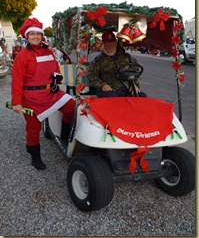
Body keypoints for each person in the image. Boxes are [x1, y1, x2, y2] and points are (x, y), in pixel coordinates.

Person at [11, 17, 75, 170]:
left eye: (38, 34)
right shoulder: (22, 56)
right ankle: (35, 156)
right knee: (33, 129)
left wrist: (57, 77)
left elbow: (54, 69)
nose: (35, 36)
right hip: (31, 98)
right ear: (27, 36)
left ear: (42, 36)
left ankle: (64, 135)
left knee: (71, 105)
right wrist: (16, 102)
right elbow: (17, 81)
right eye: (32, 34)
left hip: (50, 93)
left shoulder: (48, 51)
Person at [87, 31, 146, 98]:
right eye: (105, 45)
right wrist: (102, 85)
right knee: (113, 100)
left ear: (115, 44)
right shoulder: (98, 60)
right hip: (110, 89)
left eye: (110, 45)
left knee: (141, 97)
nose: (107, 47)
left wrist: (135, 84)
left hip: (127, 88)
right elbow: (91, 75)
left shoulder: (127, 57)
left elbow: (137, 71)